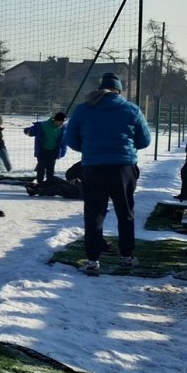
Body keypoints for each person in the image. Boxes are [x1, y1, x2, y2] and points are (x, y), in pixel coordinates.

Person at [65, 72, 152, 276]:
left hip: (93, 168)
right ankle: (127, 256)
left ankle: (93, 259)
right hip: (123, 168)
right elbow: (144, 141)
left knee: (94, 213)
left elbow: (71, 140)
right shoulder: (131, 109)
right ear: (119, 90)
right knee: (125, 212)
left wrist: (90, 150)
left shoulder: (83, 109)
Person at [22, 112, 68, 184]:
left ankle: (49, 183)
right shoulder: (44, 125)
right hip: (42, 151)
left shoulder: (63, 129)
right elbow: (35, 129)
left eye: (63, 122)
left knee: (50, 168)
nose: (61, 124)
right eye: (60, 122)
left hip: (53, 152)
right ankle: (40, 182)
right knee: (41, 167)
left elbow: (64, 142)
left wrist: (62, 152)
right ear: (55, 120)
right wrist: (29, 130)